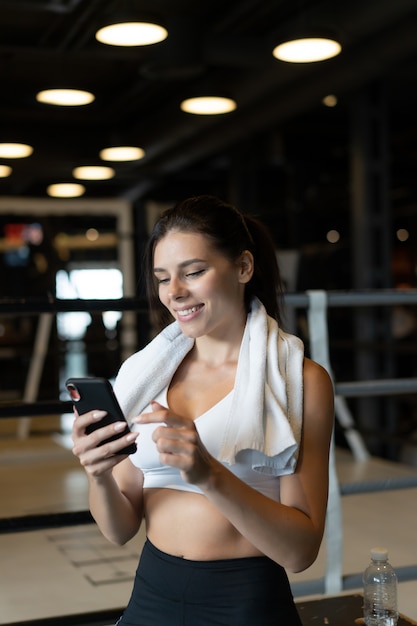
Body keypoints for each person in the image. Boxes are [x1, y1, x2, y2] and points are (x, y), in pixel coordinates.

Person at [72, 195, 334, 625]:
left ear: (244, 267)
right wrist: (98, 474)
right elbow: (119, 531)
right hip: (151, 593)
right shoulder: (143, 376)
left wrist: (209, 474)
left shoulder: (300, 380)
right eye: (162, 278)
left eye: (193, 272)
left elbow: (300, 552)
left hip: (244, 600)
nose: (174, 292)